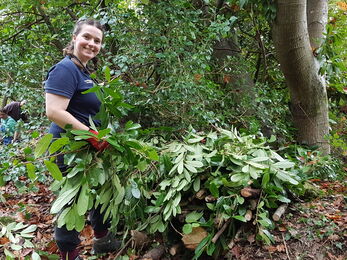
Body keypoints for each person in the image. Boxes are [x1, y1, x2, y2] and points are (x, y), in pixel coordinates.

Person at [44, 18, 118, 260]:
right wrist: (90, 134)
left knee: (96, 191)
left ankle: (102, 241)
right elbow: (54, 111)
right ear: (74, 38)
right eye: (87, 37)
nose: (91, 44)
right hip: (67, 147)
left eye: (97, 41)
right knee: (72, 201)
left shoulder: (83, 71)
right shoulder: (65, 69)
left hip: (86, 148)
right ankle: (69, 254)